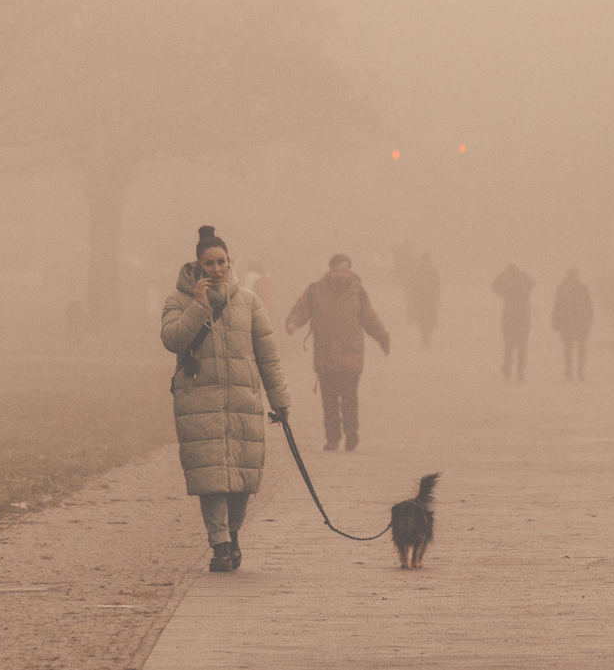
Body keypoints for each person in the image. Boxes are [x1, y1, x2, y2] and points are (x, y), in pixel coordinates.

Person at [162, 225, 291, 573]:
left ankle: (233, 533)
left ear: (229, 262)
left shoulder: (249, 301)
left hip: (242, 401)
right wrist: (198, 307)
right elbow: (172, 339)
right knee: (212, 478)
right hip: (198, 401)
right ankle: (219, 543)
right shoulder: (178, 300)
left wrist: (279, 399)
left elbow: (267, 355)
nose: (216, 269)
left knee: (242, 478)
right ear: (198, 265)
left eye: (221, 262)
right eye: (208, 264)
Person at [286, 253, 390, 451]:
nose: (340, 274)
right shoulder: (315, 291)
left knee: (350, 398)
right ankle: (332, 438)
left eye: (344, 270)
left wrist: (383, 338)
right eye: (336, 270)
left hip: (351, 355)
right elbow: (301, 309)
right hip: (325, 356)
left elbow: (369, 318)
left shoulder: (357, 292)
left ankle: (352, 435)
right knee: (329, 401)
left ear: (350, 271)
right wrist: (292, 323)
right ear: (330, 270)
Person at [492, 263, 535, 381]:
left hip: (509, 318)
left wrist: (502, 275)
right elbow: (533, 282)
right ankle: (520, 373)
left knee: (509, 346)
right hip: (523, 318)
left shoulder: (507, 286)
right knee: (522, 347)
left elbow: (494, 286)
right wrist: (524, 274)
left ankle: (507, 369)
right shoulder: (524, 283)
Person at [551, 267, 594, 380]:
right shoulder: (582, 287)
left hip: (567, 322)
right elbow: (589, 305)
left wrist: (555, 321)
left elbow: (557, 306)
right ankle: (579, 372)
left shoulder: (562, 288)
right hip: (581, 322)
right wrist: (590, 319)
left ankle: (570, 371)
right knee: (580, 347)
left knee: (569, 347)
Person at [408, 252, 441, 348]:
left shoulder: (418, 271)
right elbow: (437, 287)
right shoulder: (433, 271)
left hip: (421, 301)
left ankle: (425, 339)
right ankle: (427, 339)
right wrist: (436, 298)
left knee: (423, 321)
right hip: (429, 301)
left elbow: (412, 287)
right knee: (428, 321)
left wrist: (413, 298)